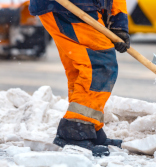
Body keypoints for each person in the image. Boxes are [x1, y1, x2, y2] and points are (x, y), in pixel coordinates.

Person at [29, 0, 130, 157]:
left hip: (78, 6)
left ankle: (86, 126)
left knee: (82, 66)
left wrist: (118, 24)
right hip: (69, 6)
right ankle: (76, 129)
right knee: (100, 64)